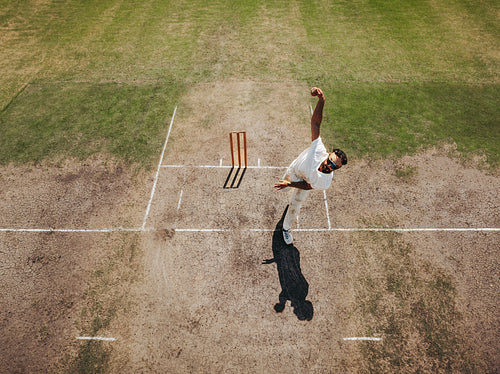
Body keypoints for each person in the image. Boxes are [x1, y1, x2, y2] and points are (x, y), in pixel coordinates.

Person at [274, 87, 347, 245]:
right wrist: (321, 101)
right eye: (331, 160)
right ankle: (288, 186)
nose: (330, 165)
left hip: (303, 182)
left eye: (334, 166)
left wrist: (291, 184)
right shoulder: (318, 149)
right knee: (281, 185)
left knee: (295, 206)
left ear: (337, 169)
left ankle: (285, 229)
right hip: (294, 170)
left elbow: (307, 186)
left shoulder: (325, 181)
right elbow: (315, 122)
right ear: (328, 155)